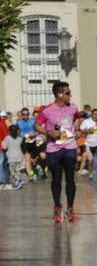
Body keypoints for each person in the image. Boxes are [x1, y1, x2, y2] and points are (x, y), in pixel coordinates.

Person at [34, 81, 79, 222]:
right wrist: (48, 132)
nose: (70, 95)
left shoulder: (73, 108)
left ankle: (70, 208)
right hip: (54, 149)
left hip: (70, 146)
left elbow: (76, 119)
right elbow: (36, 126)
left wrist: (76, 130)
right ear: (59, 94)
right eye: (68, 93)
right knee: (57, 179)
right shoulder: (47, 110)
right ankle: (57, 206)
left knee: (71, 178)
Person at [3, 124, 25, 189]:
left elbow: (4, 146)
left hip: (11, 157)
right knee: (18, 171)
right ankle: (18, 182)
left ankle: (16, 183)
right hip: (19, 156)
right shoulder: (20, 138)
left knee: (12, 172)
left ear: (9, 131)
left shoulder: (7, 138)